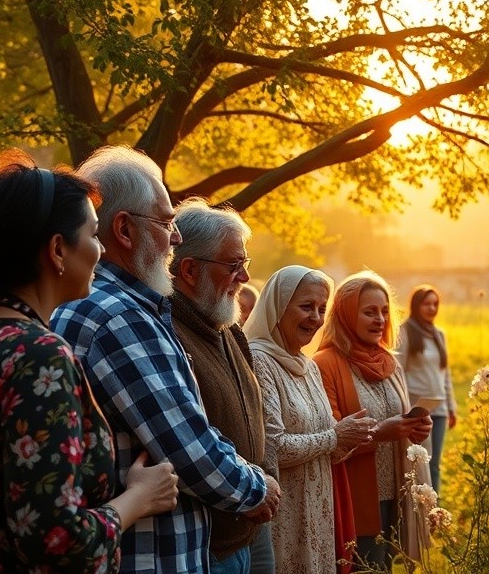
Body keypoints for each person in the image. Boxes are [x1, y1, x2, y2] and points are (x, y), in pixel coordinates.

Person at [51, 146, 280, 574]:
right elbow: (187, 444)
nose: (176, 237)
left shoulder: (110, 306)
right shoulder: (117, 316)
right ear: (124, 229)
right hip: (149, 557)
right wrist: (255, 488)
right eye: (167, 222)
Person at [0, 151, 178, 573]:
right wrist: (138, 498)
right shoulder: (38, 357)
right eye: (94, 234)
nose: (99, 250)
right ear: (58, 249)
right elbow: (57, 542)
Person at [245, 266, 376, 574]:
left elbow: (328, 438)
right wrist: (335, 437)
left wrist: (351, 437)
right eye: (306, 306)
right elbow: (273, 447)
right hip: (285, 511)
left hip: (318, 509)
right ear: (278, 305)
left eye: (321, 309)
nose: (315, 318)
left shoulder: (308, 365)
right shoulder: (259, 361)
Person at [168, 198, 273, 574]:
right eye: (233, 265)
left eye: (245, 264)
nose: (244, 278)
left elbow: (256, 414)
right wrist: (251, 491)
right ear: (190, 270)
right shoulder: (168, 336)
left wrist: (263, 482)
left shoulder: (227, 327)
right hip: (208, 545)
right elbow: (187, 445)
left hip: (252, 522)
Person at [313, 271, 432, 572]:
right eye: (369, 312)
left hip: (396, 493)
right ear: (345, 314)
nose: (380, 319)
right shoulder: (325, 363)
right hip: (356, 497)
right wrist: (382, 432)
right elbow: (331, 436)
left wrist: (415, 427)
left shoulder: (389, 362)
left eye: (384, 311)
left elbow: (399, 416)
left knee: (386, 566)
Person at [397, 284, 457, 494]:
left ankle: (434, 513)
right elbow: (399, 373)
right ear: (416, 305)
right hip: (417, 408)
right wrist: (405, 407)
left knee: (434, 465)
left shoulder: (439, 334)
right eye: (426, 304)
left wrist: (452, 407)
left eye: (435, 304)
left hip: (438, 409)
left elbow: (445, 373)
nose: (432, 308)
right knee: (420, 462)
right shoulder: (404, 332)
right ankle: (418, 511)